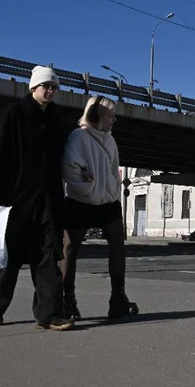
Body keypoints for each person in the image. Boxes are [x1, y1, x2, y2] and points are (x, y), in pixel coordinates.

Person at [0, 65, 74, 331]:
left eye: (54, 87)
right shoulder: (14, 114)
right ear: (33, 88)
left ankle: (49, 314)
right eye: (46, 86)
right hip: (16, 199)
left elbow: (62, 158)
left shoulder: (57, 118)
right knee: (8, 256)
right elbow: (0, 156)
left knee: (47, 255)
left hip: (48, 199)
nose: (50, 91)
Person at [60, 96, 136, 320]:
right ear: (95, 116)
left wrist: (112, 192)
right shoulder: (79, 137)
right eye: (110, 115)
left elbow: (114, 171)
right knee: (70, 248)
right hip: (80, 201)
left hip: (108, 201)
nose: (114, 120)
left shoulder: (110, 140)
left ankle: (118, 298)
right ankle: (68, 300)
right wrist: (88, 188)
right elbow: (69, 168)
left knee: (118, 245)